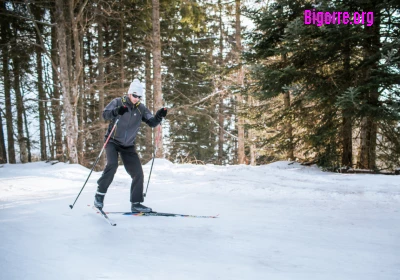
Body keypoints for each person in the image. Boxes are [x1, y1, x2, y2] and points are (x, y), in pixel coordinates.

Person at [94, 79, 167, 213]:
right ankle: (99, 195)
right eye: (134, 95)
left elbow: (151, 122)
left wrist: (158, 116)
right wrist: (117, 111)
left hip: (128, 145)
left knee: (137, 173)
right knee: (112, 165)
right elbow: (105, 114)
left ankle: (136, 203)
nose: (136, 99)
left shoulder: (141, 108)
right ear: (129, 94)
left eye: (139, 97)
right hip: (113, 141)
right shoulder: (118, 102)